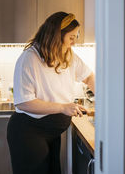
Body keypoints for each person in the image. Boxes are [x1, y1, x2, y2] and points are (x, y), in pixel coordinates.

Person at [7, 11, 95, 174]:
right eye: (71, 38)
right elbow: (24, 102)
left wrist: (106, 99)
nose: (74, 43)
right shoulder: (29, 58)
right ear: (56, 35)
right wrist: (63, 108)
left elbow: (89, 77)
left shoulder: (68, 55)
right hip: (29, 132)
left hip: (52, 132)